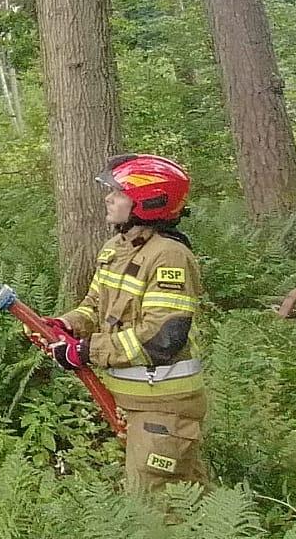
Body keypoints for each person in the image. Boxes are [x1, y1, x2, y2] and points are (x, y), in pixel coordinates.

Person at [43, 154, 210, 493]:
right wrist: (67, 325)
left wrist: (87, 351)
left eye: (119, 193)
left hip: (163, 405)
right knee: (184, 492)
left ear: (148, 201)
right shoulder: (115, 249)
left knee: (159, 504)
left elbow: (162, 339)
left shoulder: (169, 256)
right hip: (135, 402)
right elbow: (95, 306)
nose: (109, 198)